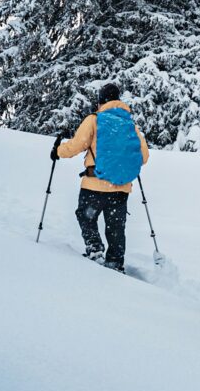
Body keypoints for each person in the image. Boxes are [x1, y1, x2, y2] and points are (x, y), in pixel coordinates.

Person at [53, 84, 149, 272]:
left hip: (94, 185)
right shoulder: (130, 125)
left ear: (101, 101)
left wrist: (58, 151)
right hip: (121, 189)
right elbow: (143, 156)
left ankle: (95, 249)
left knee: (86, 216)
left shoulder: (94, 119)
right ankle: (115, 263)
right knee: (116, 228)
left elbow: (76, 145)